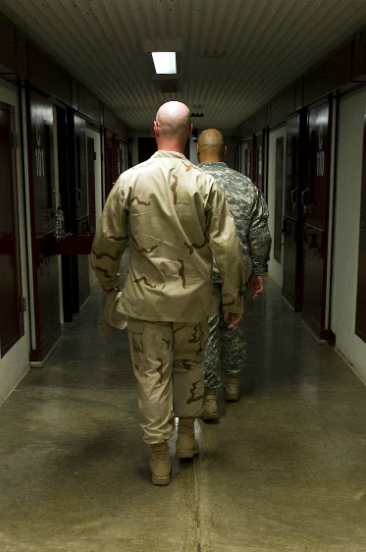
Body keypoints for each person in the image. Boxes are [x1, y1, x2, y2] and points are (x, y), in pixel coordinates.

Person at [90, 101, 246, 486]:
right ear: (190, 133)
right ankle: (188, 440)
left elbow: (107, 240)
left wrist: (109, 282)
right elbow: (228, 248)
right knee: (190, 368)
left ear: (155, 127)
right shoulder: (205, 183)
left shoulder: (129, 181)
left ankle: (160, 458)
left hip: (145, 305)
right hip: (194, 303)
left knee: (152, 376)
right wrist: (232, 300)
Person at [196, 129, 271, 422]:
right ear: (224, 151)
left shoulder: (187, 181)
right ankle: (232, 385)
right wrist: (258, 269)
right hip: (234, 271)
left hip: (198, 274)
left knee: (205, 332)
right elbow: (259, 231)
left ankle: (208, 399)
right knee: (233, 326)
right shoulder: (245, 184)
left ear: (199, 150)